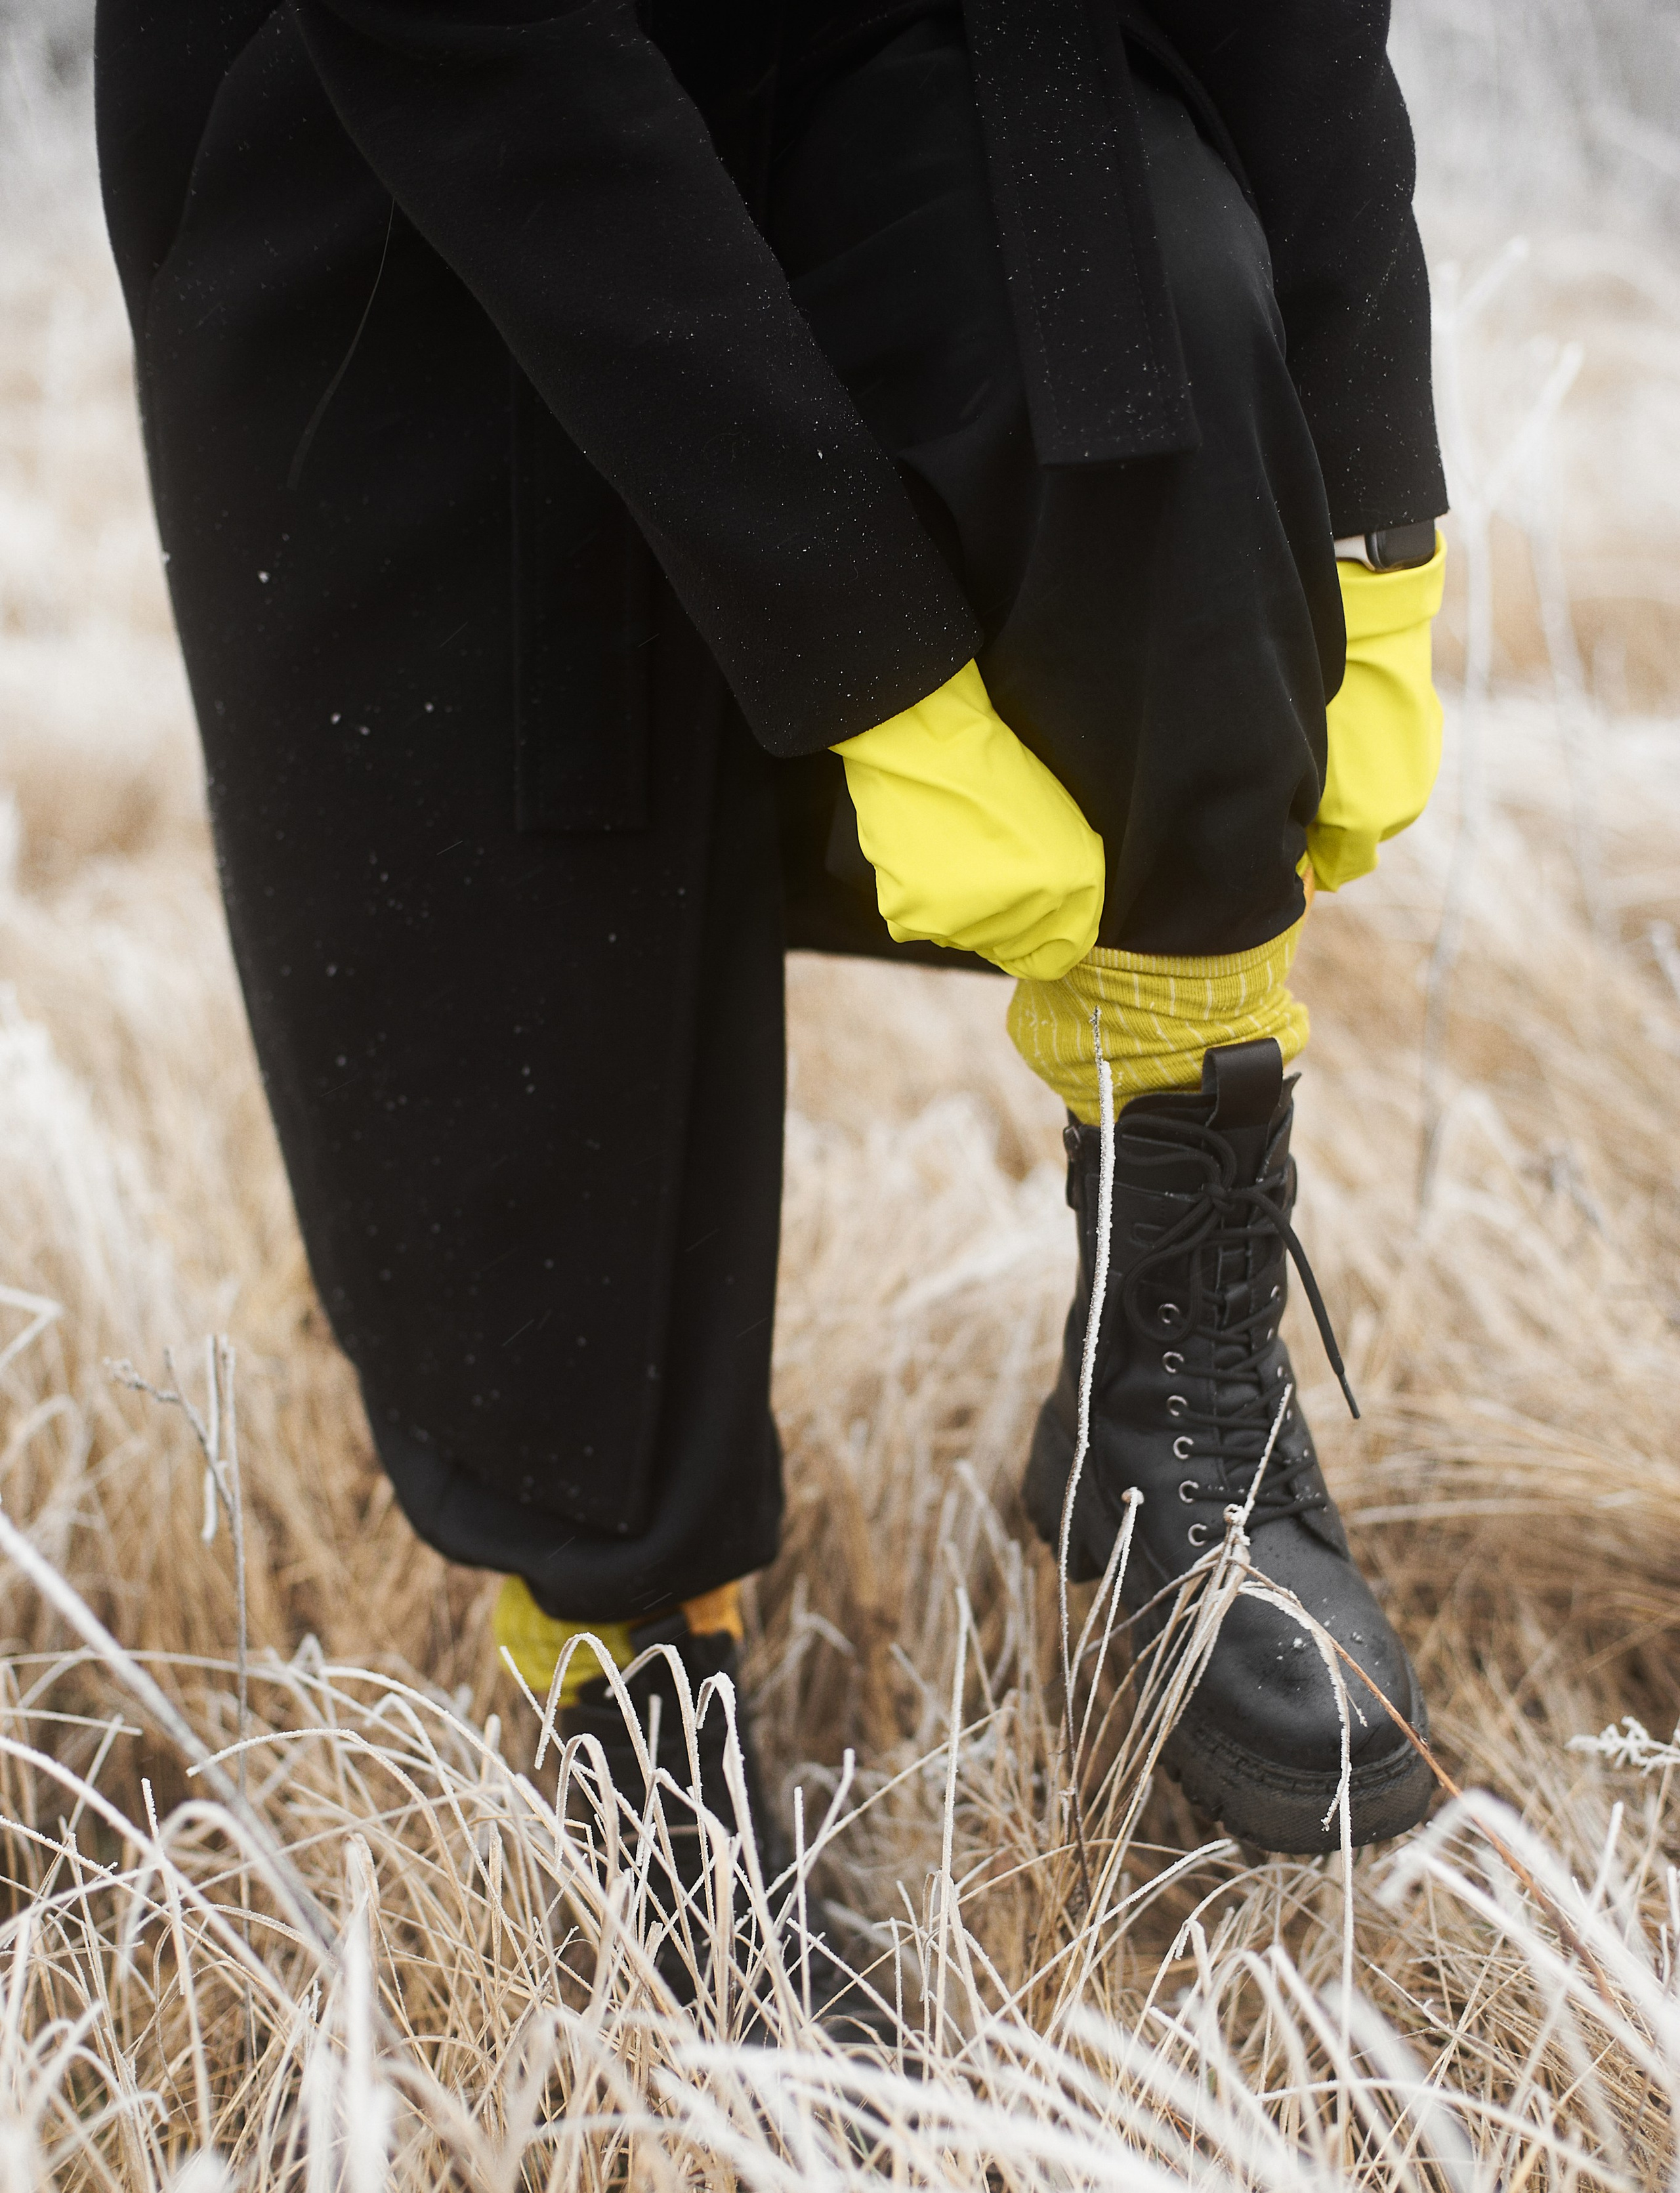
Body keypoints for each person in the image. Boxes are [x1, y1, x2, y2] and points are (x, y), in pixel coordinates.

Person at [94, 1, 1447, 1936]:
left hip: (917, 36)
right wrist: (872, 678)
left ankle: (1179, 1416)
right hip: (409, 106)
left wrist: (1371, 486)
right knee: (513, 889)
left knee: (1141, 302)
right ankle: (645, 1720)